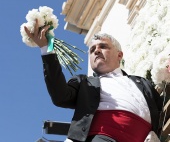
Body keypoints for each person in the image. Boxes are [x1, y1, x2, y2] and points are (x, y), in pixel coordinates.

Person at [25, 20, 163, 142]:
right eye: (92, 50)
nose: (96, 51)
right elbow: (60, 96)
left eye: (103, 46)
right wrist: (47, 49)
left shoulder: (141, 83)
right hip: (103, 137)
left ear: (119, 55)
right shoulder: (85, 83)